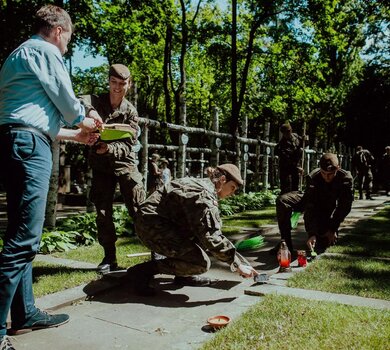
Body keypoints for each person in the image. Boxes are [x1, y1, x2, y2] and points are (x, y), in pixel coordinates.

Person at [0, 5, 102, 349]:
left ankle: (25, 312)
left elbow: (36, 118)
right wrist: (87, 118)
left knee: (19, 233)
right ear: (59, 30)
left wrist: (77, 136)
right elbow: (67, 103)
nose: (67, 47)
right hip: (30, 147)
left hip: (17, 140)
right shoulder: (44, 50)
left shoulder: (18, 55)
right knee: (23, 241)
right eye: (69, 40)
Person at [127, 164, 258, 296]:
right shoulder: (204, 195)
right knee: (200, 263)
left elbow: (205, 229)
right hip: (151, 227)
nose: (232, 194)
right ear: (223, 180)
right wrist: (237, 265)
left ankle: (184, 276)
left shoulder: (203, 186)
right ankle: (141, 271)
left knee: (202, 237)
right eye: (233, 188)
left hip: (158, 223)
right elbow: (211, 237)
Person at [79, 64, 146, 274]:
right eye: (114, 82)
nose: (117, 87)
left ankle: (157, 251)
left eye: (122, 84)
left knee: (140, 208)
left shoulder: (131, 112)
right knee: (103, 213)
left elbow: (129, 144)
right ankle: (109, 257)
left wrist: (108, 148)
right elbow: (78, 99)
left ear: (129, 84)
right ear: (108, 81)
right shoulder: (96, 101)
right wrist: (90, 111)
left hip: (125, 164)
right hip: (101, 167)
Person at [275, 153, 353, 253]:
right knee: (282, 200)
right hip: (310, 200)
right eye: (324, 173)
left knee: (323, 242)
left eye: (330, 174)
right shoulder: (313, 177)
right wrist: (312, 233)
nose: (327, 177)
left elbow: (344, 207)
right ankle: (285, 244)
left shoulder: (345, 179)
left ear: (338, 168)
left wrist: (332, 228)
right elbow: (310, 206)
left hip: (327, 206)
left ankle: (321, 233)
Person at [274, 123, 303, 194]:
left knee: (295, 186)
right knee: (285, 188)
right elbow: (287, 160)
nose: (288, 133)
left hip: (296, 165)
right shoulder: (282, 146)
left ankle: (295, 202)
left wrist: (305, 139)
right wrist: (297, 168)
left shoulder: (296, 136)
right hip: (286, 168)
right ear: (283, 133)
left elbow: (303, 143)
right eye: (286, 132)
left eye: (289, 131)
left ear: (291, 130)